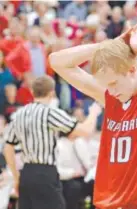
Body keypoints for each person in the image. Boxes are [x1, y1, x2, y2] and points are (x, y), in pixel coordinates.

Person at [49, 20, 137, 209]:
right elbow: (56, 61)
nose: (110, 89)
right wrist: (106, 46)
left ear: (132, 70)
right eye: (107, 84)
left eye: (114, 83)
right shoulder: (111, 98)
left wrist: (135, 45)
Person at [3, 75, 101, 209]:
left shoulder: (19, 114)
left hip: (26, 173)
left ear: (32, 92)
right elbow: (85, 131)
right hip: (45, 173)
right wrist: (93, 113)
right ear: (52, 93)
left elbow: (7, 147)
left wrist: (16, 176)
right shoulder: (50, 113)